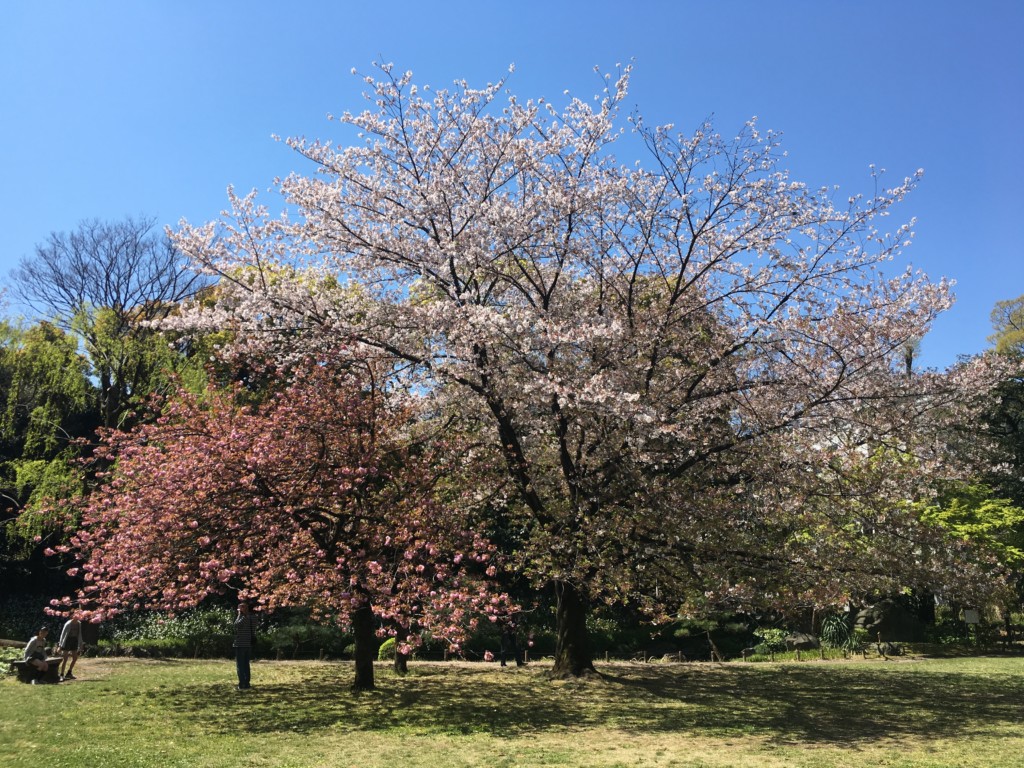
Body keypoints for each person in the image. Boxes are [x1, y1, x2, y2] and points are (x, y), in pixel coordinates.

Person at [233, 601, 258, 690]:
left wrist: (239, 615)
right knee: (246, 664)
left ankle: (242, 683)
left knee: (240, 665)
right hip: (248, 644)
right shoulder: (253, 618)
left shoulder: (243, 618)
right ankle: (247, 683)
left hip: (240, 644)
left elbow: (236, 625)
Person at [58, 613, 84, 680]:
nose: (77, 617)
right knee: (65, 659)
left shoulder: (79, 623)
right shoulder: (68, 624)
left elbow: (80, 634)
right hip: (67, 640)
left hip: (74, 640)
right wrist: (60, 645)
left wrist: (80, 644)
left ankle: (69, 672)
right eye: (75, 616)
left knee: (75, 658)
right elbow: (63, 635)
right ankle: (61, 674)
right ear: (72, 616)